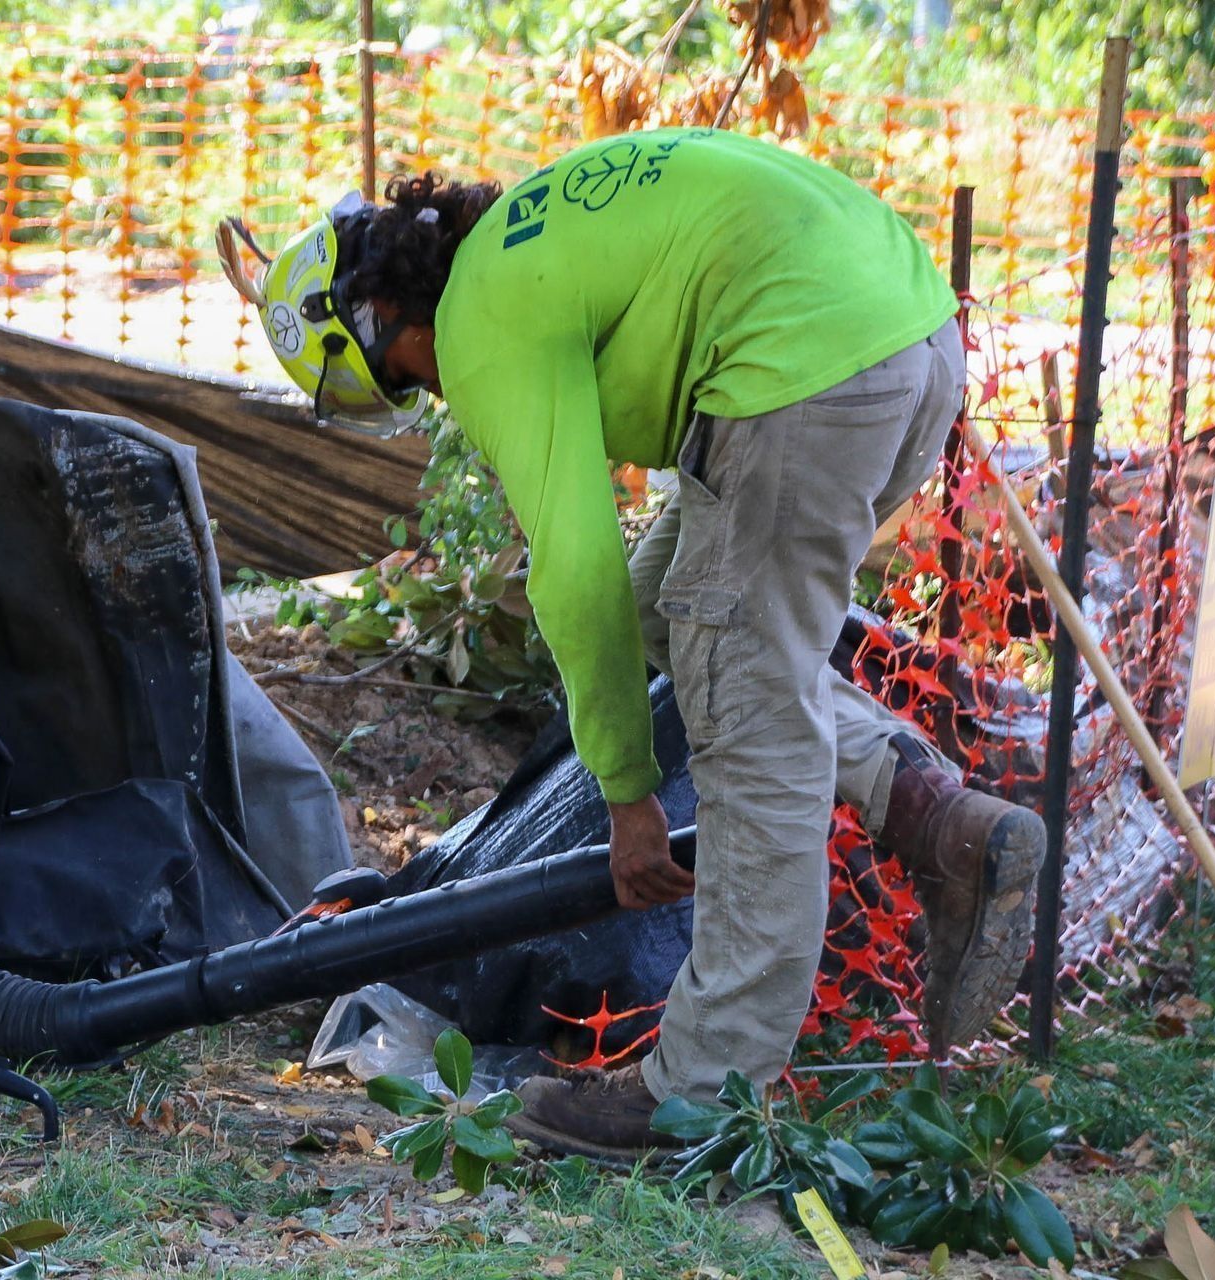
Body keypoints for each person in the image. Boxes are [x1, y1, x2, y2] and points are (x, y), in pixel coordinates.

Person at [216, 126, 1046, 1160]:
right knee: (677, 607)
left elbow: (571, 568)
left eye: (402, 379)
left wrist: (627, 795)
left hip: (807, 367)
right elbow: (623, 581)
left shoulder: (478, 319)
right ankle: (933, 814)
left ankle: (699, 1091)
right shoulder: (523, 235)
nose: (429, 392)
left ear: (379, 322)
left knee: (745, 705)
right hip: (908, 342)